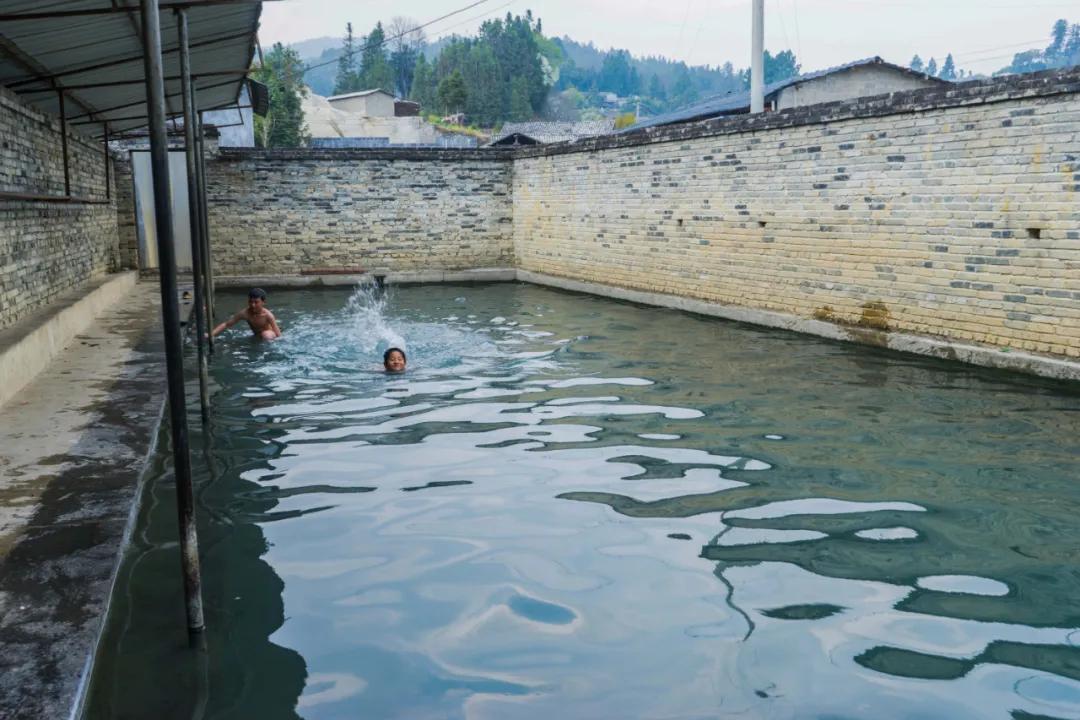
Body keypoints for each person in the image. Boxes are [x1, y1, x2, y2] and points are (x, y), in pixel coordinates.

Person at [211, 288, 282, 340]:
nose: (252, 305)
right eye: (250, 302)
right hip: (257, 336)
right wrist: (210, 335)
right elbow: (227, 324)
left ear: (263, 302)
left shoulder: (268, 315)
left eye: (256, 302)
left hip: (270, 335)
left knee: (266, 335)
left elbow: (278, 335)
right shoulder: (245, 313)